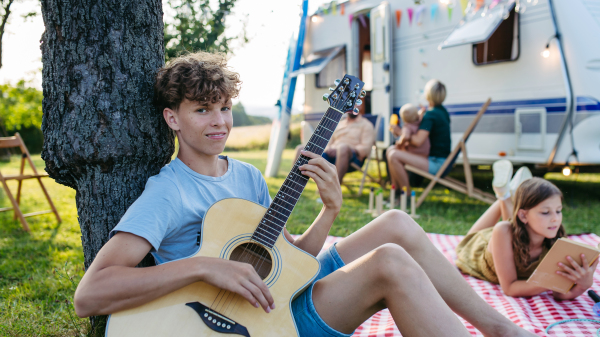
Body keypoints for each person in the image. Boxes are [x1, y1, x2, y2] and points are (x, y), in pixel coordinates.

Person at [73, 52, 537, 337]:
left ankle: (497, 327)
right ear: (173, 118)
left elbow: (289, 260)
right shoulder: (168, 192)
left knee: (396, 223)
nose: (219, 122)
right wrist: (204, 266)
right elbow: (90, 295)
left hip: (283, 294)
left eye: (225, 108)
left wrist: (330, 211)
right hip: (255, 324)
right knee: (390, 261)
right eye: (202, 110)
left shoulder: (248, 177)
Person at [456, 161, 598, 299]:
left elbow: (560, 294)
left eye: (558, 211)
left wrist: (583, 284)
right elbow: (510, 288)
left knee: (514, 226)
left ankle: (510, 194)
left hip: (518, 230)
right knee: (472, 239)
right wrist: (549, 280)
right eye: (545, 212)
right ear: (523, 215)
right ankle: (503, 196)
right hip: (481, 253)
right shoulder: (503, 231)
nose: (555, 219)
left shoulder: (558, 243)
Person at [386, 79, 450, 194]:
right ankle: (395, 193)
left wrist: (400, 132)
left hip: (436, 163)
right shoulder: (442, 112)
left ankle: (406, 195)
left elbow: (417, 141)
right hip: (444, 161)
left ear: (428, 95)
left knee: (394, 155)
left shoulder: (431, 115)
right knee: (390, 150)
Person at [294, 102, 374, 184]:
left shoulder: (366, 125)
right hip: (330, 156)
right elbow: (328, 143)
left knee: (343, 148)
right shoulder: (339, 124)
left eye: (356, 104)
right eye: (351, 104)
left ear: (360, 106)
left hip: (352, 158)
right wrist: (330, 149)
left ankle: (335, 188)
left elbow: (366, 148)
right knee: (301, 149)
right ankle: (293, 184)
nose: (353, 106)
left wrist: (343, 149)